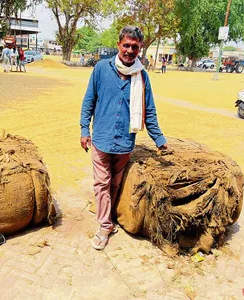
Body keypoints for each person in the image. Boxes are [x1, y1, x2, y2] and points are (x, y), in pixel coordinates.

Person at [80, 26, 169, 251]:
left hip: (124, 143)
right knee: (101, 183)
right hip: (101, 139)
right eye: (126, 45)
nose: (130, 50)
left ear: (140, 50)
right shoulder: (101, 69)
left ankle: (108, 214)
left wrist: (159, 139)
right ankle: (104, 226)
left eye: (135, 47)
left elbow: (149, 111)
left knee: (115, 184)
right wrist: (84, 130)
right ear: (119, 45)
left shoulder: (142, 76)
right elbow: (88, 101)